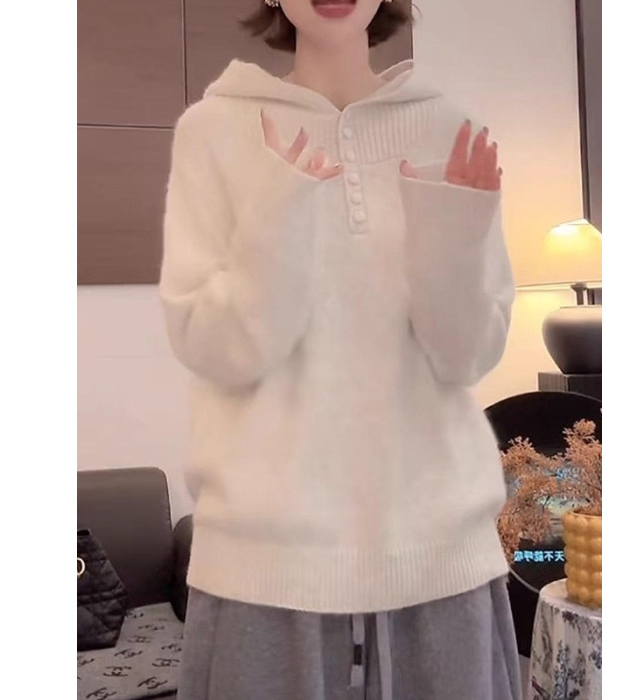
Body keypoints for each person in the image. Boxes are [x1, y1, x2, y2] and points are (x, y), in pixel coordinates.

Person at [159, 1, 521, 698]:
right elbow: (214, 347)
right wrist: (275, 219)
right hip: (265, 571)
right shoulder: (214, 130)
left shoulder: (450, 126)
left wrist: (453, 238)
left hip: (440, 560)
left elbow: (467, 356)